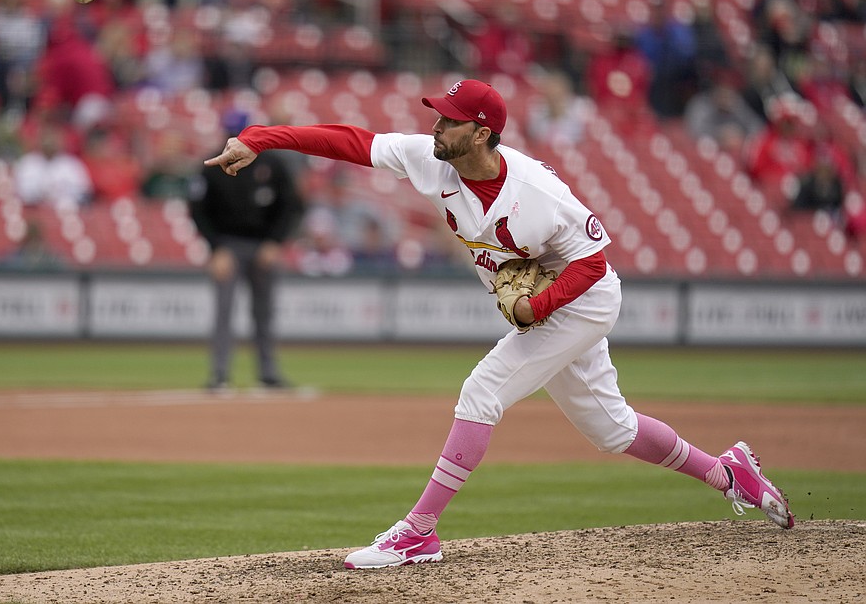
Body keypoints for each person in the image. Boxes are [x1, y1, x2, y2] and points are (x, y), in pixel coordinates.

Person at [204, 79, 795, 569]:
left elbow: (594, 263)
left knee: (483, 389)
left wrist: (537, 308)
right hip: (549, 303)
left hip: (582, 301)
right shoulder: (429, 161)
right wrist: (261, 138)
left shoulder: (538, 191)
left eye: (449, 121)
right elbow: (350, 142)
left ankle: (419, 531)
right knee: (612, 431)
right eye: (437, 117)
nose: (435, 128)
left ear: (481, 133)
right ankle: (729, 473)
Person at [189, 110, 305, 390]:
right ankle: (219, 374)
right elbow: (197, 210)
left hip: (263, 245)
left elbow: (291, 205)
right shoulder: (211, 165)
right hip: (228, 244)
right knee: (224, 312)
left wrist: (275, 242)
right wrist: (216, 248)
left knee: (264, 312)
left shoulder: (272, 164)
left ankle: (268, 372)